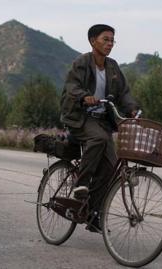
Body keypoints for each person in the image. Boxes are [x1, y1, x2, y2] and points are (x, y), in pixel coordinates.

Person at [60, 24, 138, 225]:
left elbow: (124, 92)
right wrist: (85, 97)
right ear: (93, 41)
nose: (110, 44)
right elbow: (72, 86)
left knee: (112, 168)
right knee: (99, 138)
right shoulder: (82, 63)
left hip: (102, 120)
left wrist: (131, 108)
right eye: (106, 39)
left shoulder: (113, 67)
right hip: (80, 117)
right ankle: (81, 183)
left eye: (112, 40)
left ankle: (93, 214)